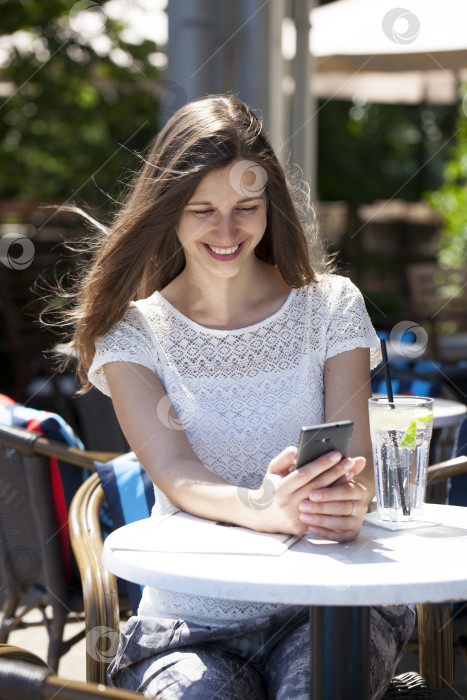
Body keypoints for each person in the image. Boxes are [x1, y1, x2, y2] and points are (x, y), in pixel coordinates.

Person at [64, 95, 414, 699]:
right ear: (167, 210)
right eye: (202, 210)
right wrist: (264, 507)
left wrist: (350, 500)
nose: (226, 232)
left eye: (245, 208)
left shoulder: (330, 307)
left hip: (325, 606)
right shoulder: (132, 333)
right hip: (191, 624)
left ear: (269, 207)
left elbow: (355, 464)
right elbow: (175, 471)